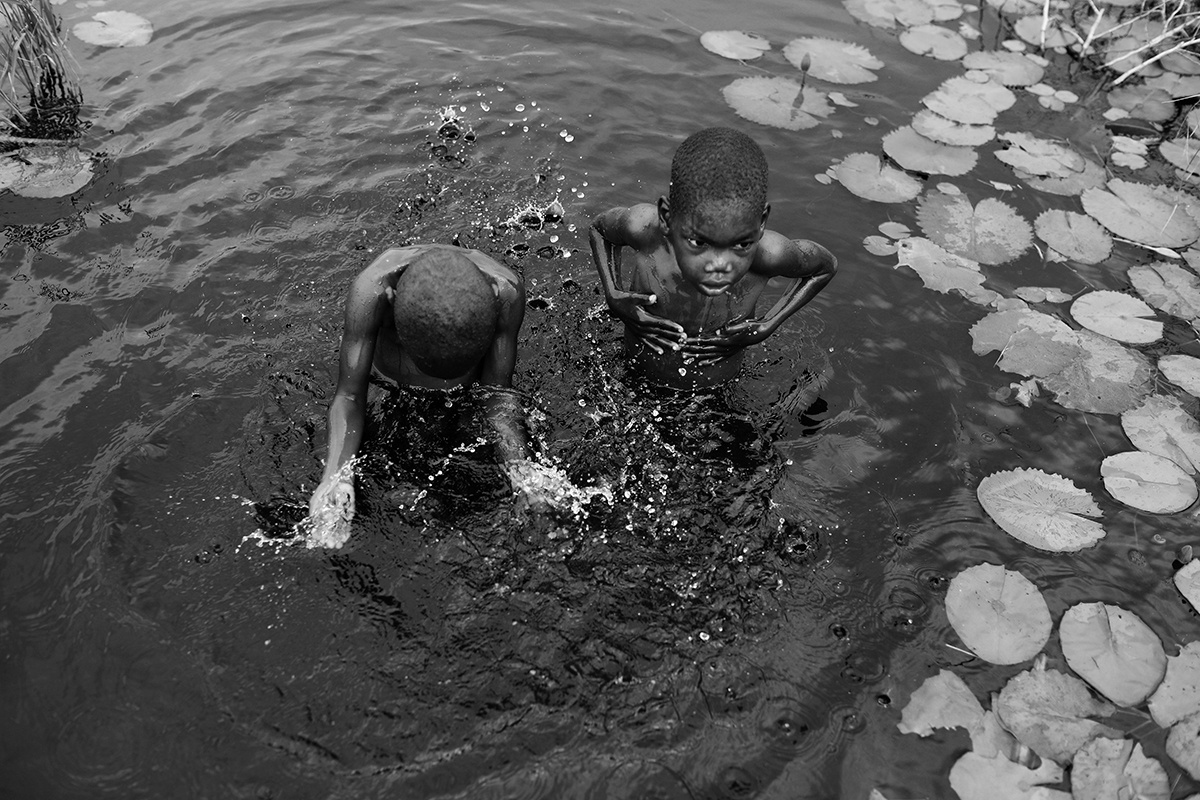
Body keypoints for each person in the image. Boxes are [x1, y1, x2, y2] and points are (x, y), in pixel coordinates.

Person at [307, 244, 533, 545]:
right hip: (392, 388)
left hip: (465, 397)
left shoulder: (505, 293)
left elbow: (496, 394)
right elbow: (349, 395)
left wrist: (522, 471)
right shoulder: (371, 294)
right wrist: (335, 477)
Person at [590, 127, 837, 390]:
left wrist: (767, 325)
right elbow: (599, 230)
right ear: (667, 217)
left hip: (717, 395)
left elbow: (825, 267)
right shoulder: (644, 229)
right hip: (629, 379)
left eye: (741, 244)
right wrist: (613, 295)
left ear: (761, 222)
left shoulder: (770, 254)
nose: (720, 266)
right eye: (699, 243)